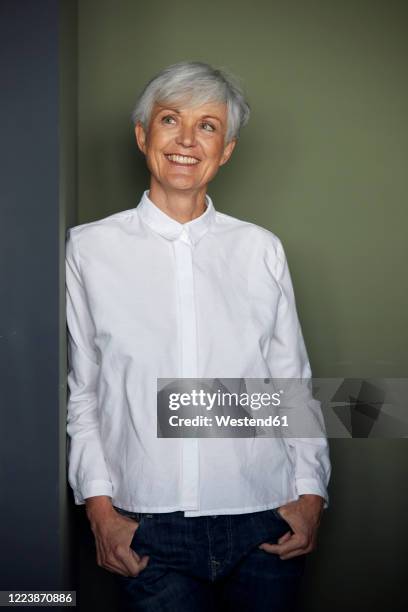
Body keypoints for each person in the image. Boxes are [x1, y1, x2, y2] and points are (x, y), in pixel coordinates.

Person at [65, 61, 331, 612]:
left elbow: (290, 385)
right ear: (143, 136)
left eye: (207, 126)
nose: (187, 140)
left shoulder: (260, 250)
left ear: (226, 148)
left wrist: (310, 496)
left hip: (264, 521)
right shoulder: (87, 250)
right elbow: (84, 391)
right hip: (148, 529)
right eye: (170, 120)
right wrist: (100, 510)